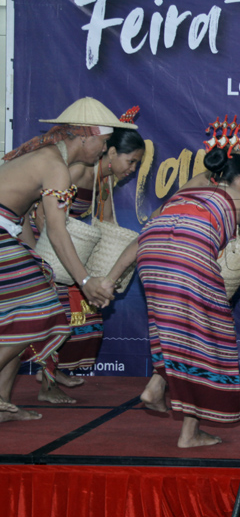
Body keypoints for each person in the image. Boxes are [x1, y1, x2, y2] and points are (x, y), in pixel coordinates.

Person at [107, 122, 240, 448]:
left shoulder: (188, 191)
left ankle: (156, 386)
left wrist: (109, 279)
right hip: (188, 256)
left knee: (178, 329)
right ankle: (189, 433)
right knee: (208, 339)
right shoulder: (237, 196)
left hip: (150, 255)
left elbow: (145, 238)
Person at [0, 97, 119, 421]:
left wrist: (31, 258)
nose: (103, 150)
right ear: (86, 136)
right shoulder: (55, 166)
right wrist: (85, 280)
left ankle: (0, 401)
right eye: (104, 142)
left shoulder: (51, 160)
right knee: (44, 310)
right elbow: (56, 229)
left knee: (23, 316)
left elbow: (23, 216)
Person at [34, 118, 145, 403]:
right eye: (130, 161)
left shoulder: (103, 179)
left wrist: (108, 270)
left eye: (136, 165)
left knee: (86, 316)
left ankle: (55, 371)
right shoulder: (75, 171)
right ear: (110, 153)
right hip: (46, 245)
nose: (132, 170)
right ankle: (46, 384)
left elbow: (106, 221)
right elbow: (41, 213)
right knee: (57, 315)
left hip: (70, 248)